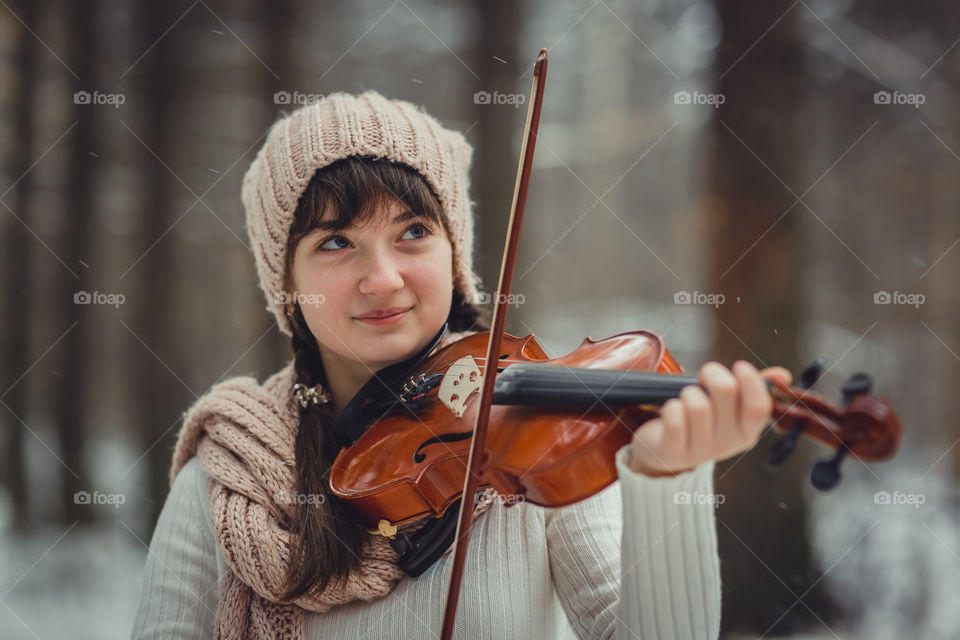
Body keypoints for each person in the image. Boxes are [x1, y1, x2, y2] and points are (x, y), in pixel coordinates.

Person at [131, 90, 790, 640]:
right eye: (336, 242)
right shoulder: (231, 471)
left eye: (413, 232)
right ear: (287, 283)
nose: (383, 279)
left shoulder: (534, 442)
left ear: (454, 254)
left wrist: (665, 481)